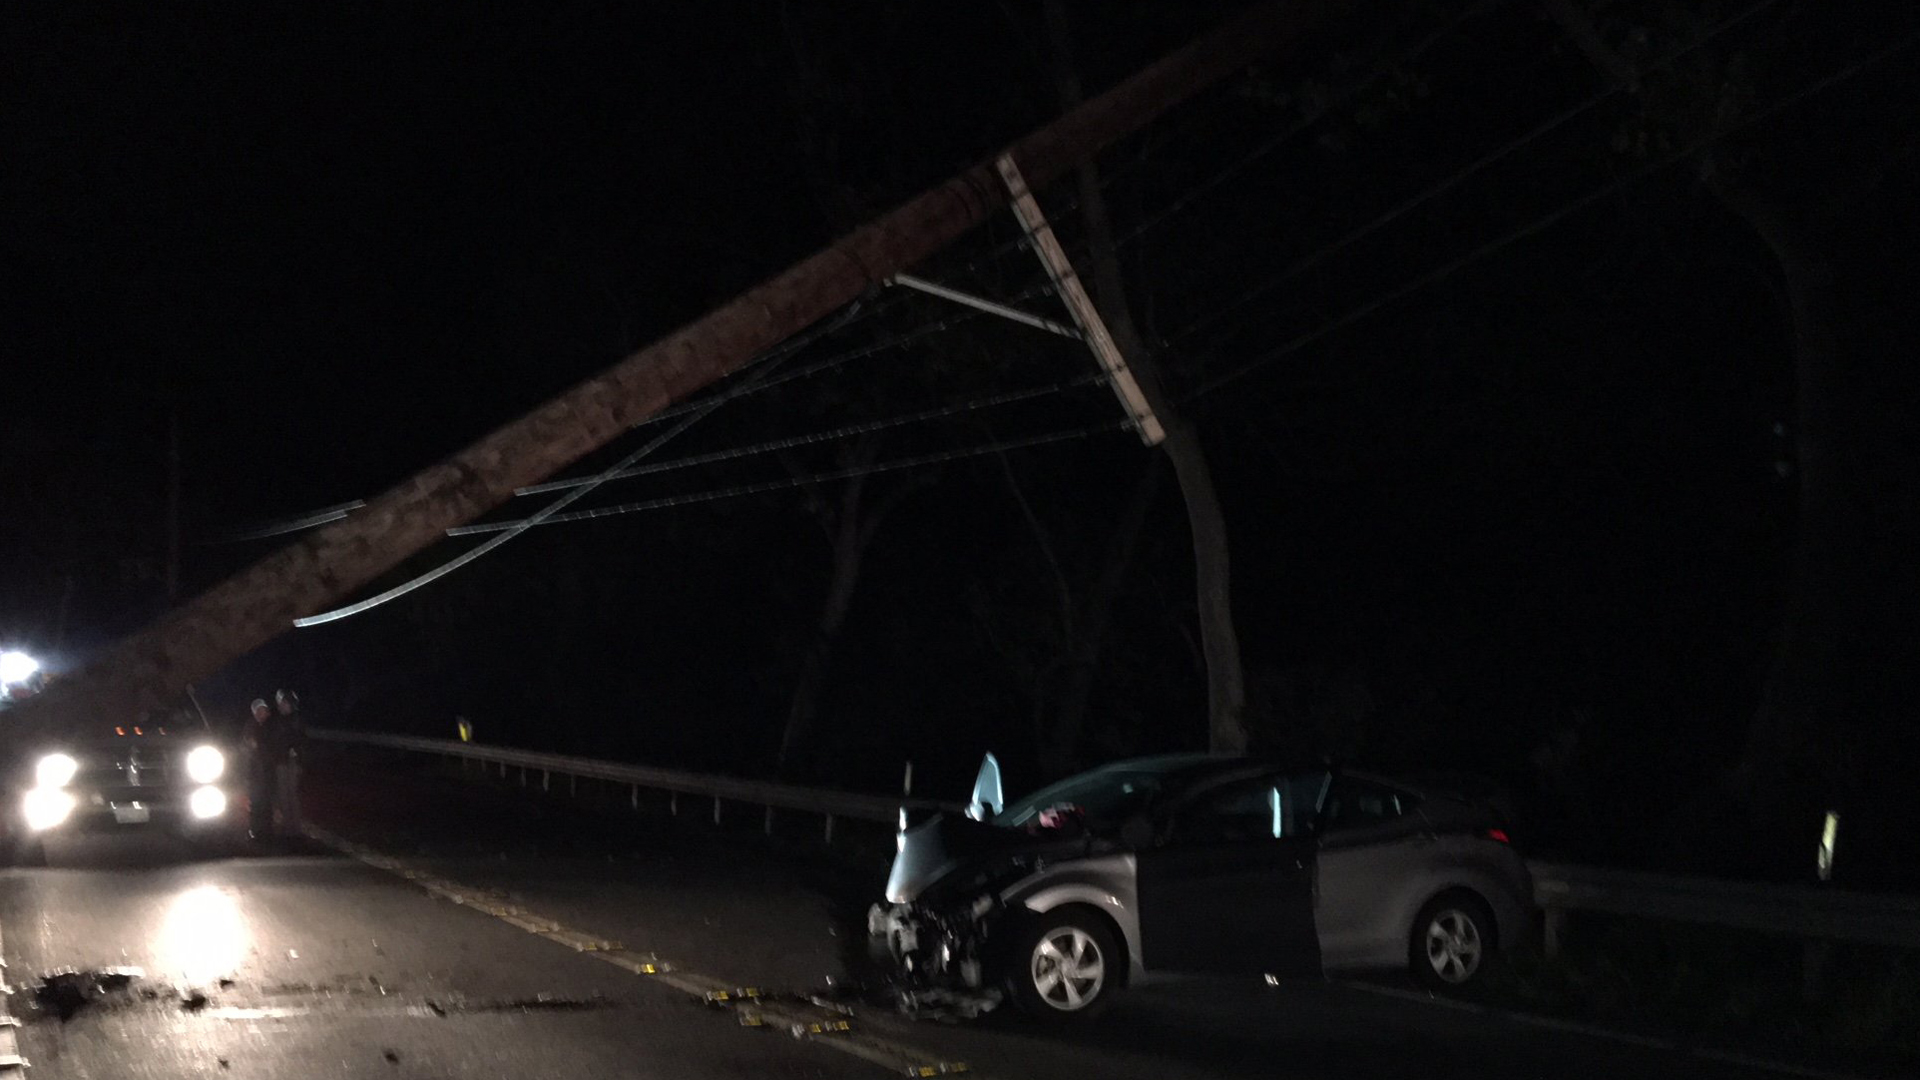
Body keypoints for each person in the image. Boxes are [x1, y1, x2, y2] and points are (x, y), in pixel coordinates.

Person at [243, 698, 279, 840]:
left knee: (267, 802)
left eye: (264, 710)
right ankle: (255, 830)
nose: (263, 713)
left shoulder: (270, 725)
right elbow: (250, 746)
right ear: (255, 712)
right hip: (255, 771)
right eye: (260, 710)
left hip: (268, 770)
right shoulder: (250, 726)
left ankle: (268, 829)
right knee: (256, 801)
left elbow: (273, 746)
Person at [272, 689, 307, 832]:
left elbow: (301, 740)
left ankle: (296, 826)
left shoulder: (296, 719)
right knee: (283, 793)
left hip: (292, 761)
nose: (282, 705)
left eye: (285, 703)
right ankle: (287, 825)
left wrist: (298, 758)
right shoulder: (277, 720)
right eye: (281, 703)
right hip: (280, 761)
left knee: (292, 793)